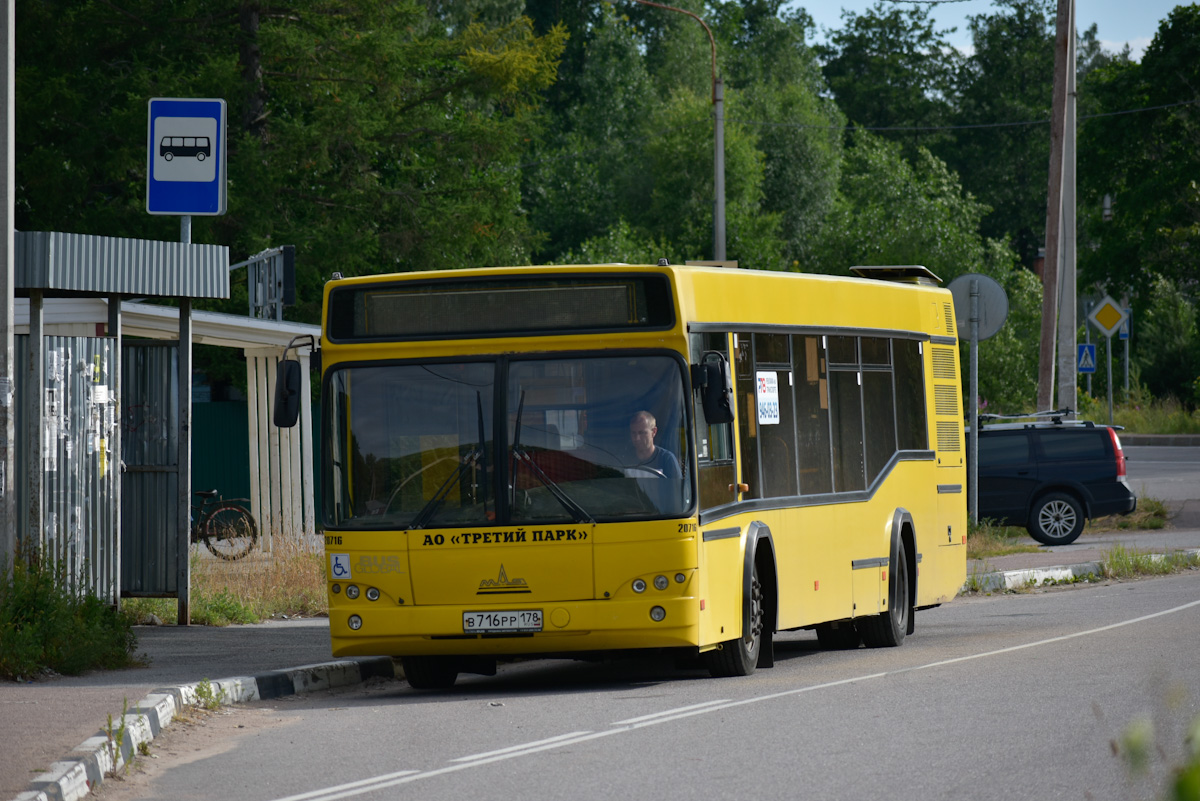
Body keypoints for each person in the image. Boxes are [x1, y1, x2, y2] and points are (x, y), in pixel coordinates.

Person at [628, 410, 682, 482]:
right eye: (633, 433)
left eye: (642, 433)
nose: (637, 438)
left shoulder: (667, 460)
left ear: (654, 432)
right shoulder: (624, 460)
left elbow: (677, 490)